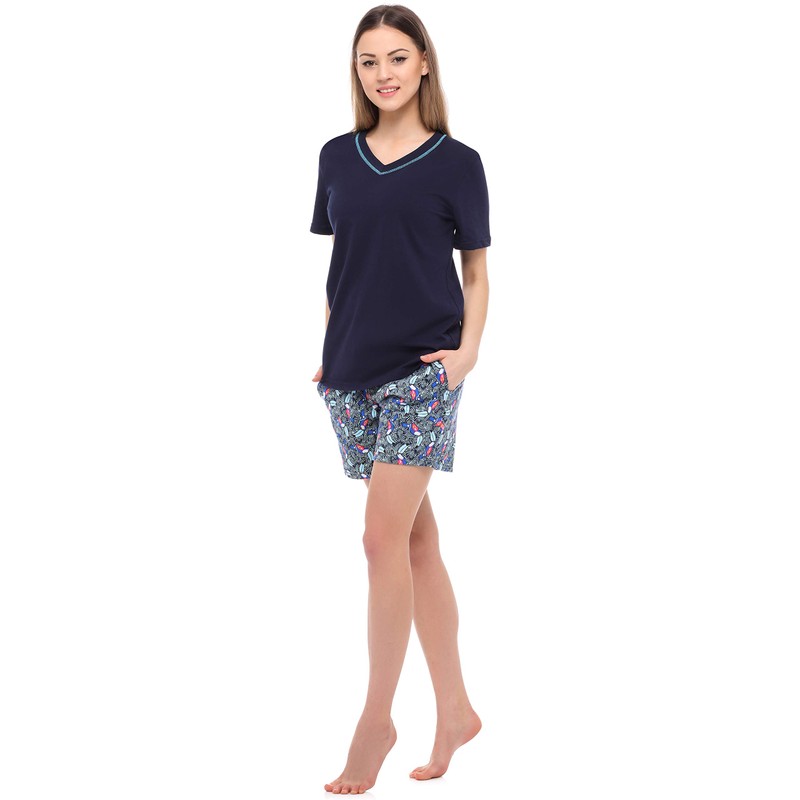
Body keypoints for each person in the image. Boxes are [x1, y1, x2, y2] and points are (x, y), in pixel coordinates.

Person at [310, 4, 491, 794]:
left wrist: (466, 356)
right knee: (415, 543)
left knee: (379, 540)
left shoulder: (459, 163)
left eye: (395, 58)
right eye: (367, 61)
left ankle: (376, 720)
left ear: (423, 64)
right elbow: (345, 267)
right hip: (348, 373)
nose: (382, 73)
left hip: (423, 372)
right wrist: (328, 352)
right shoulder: (336, 157)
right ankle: (456, 710)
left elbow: (476, 272)